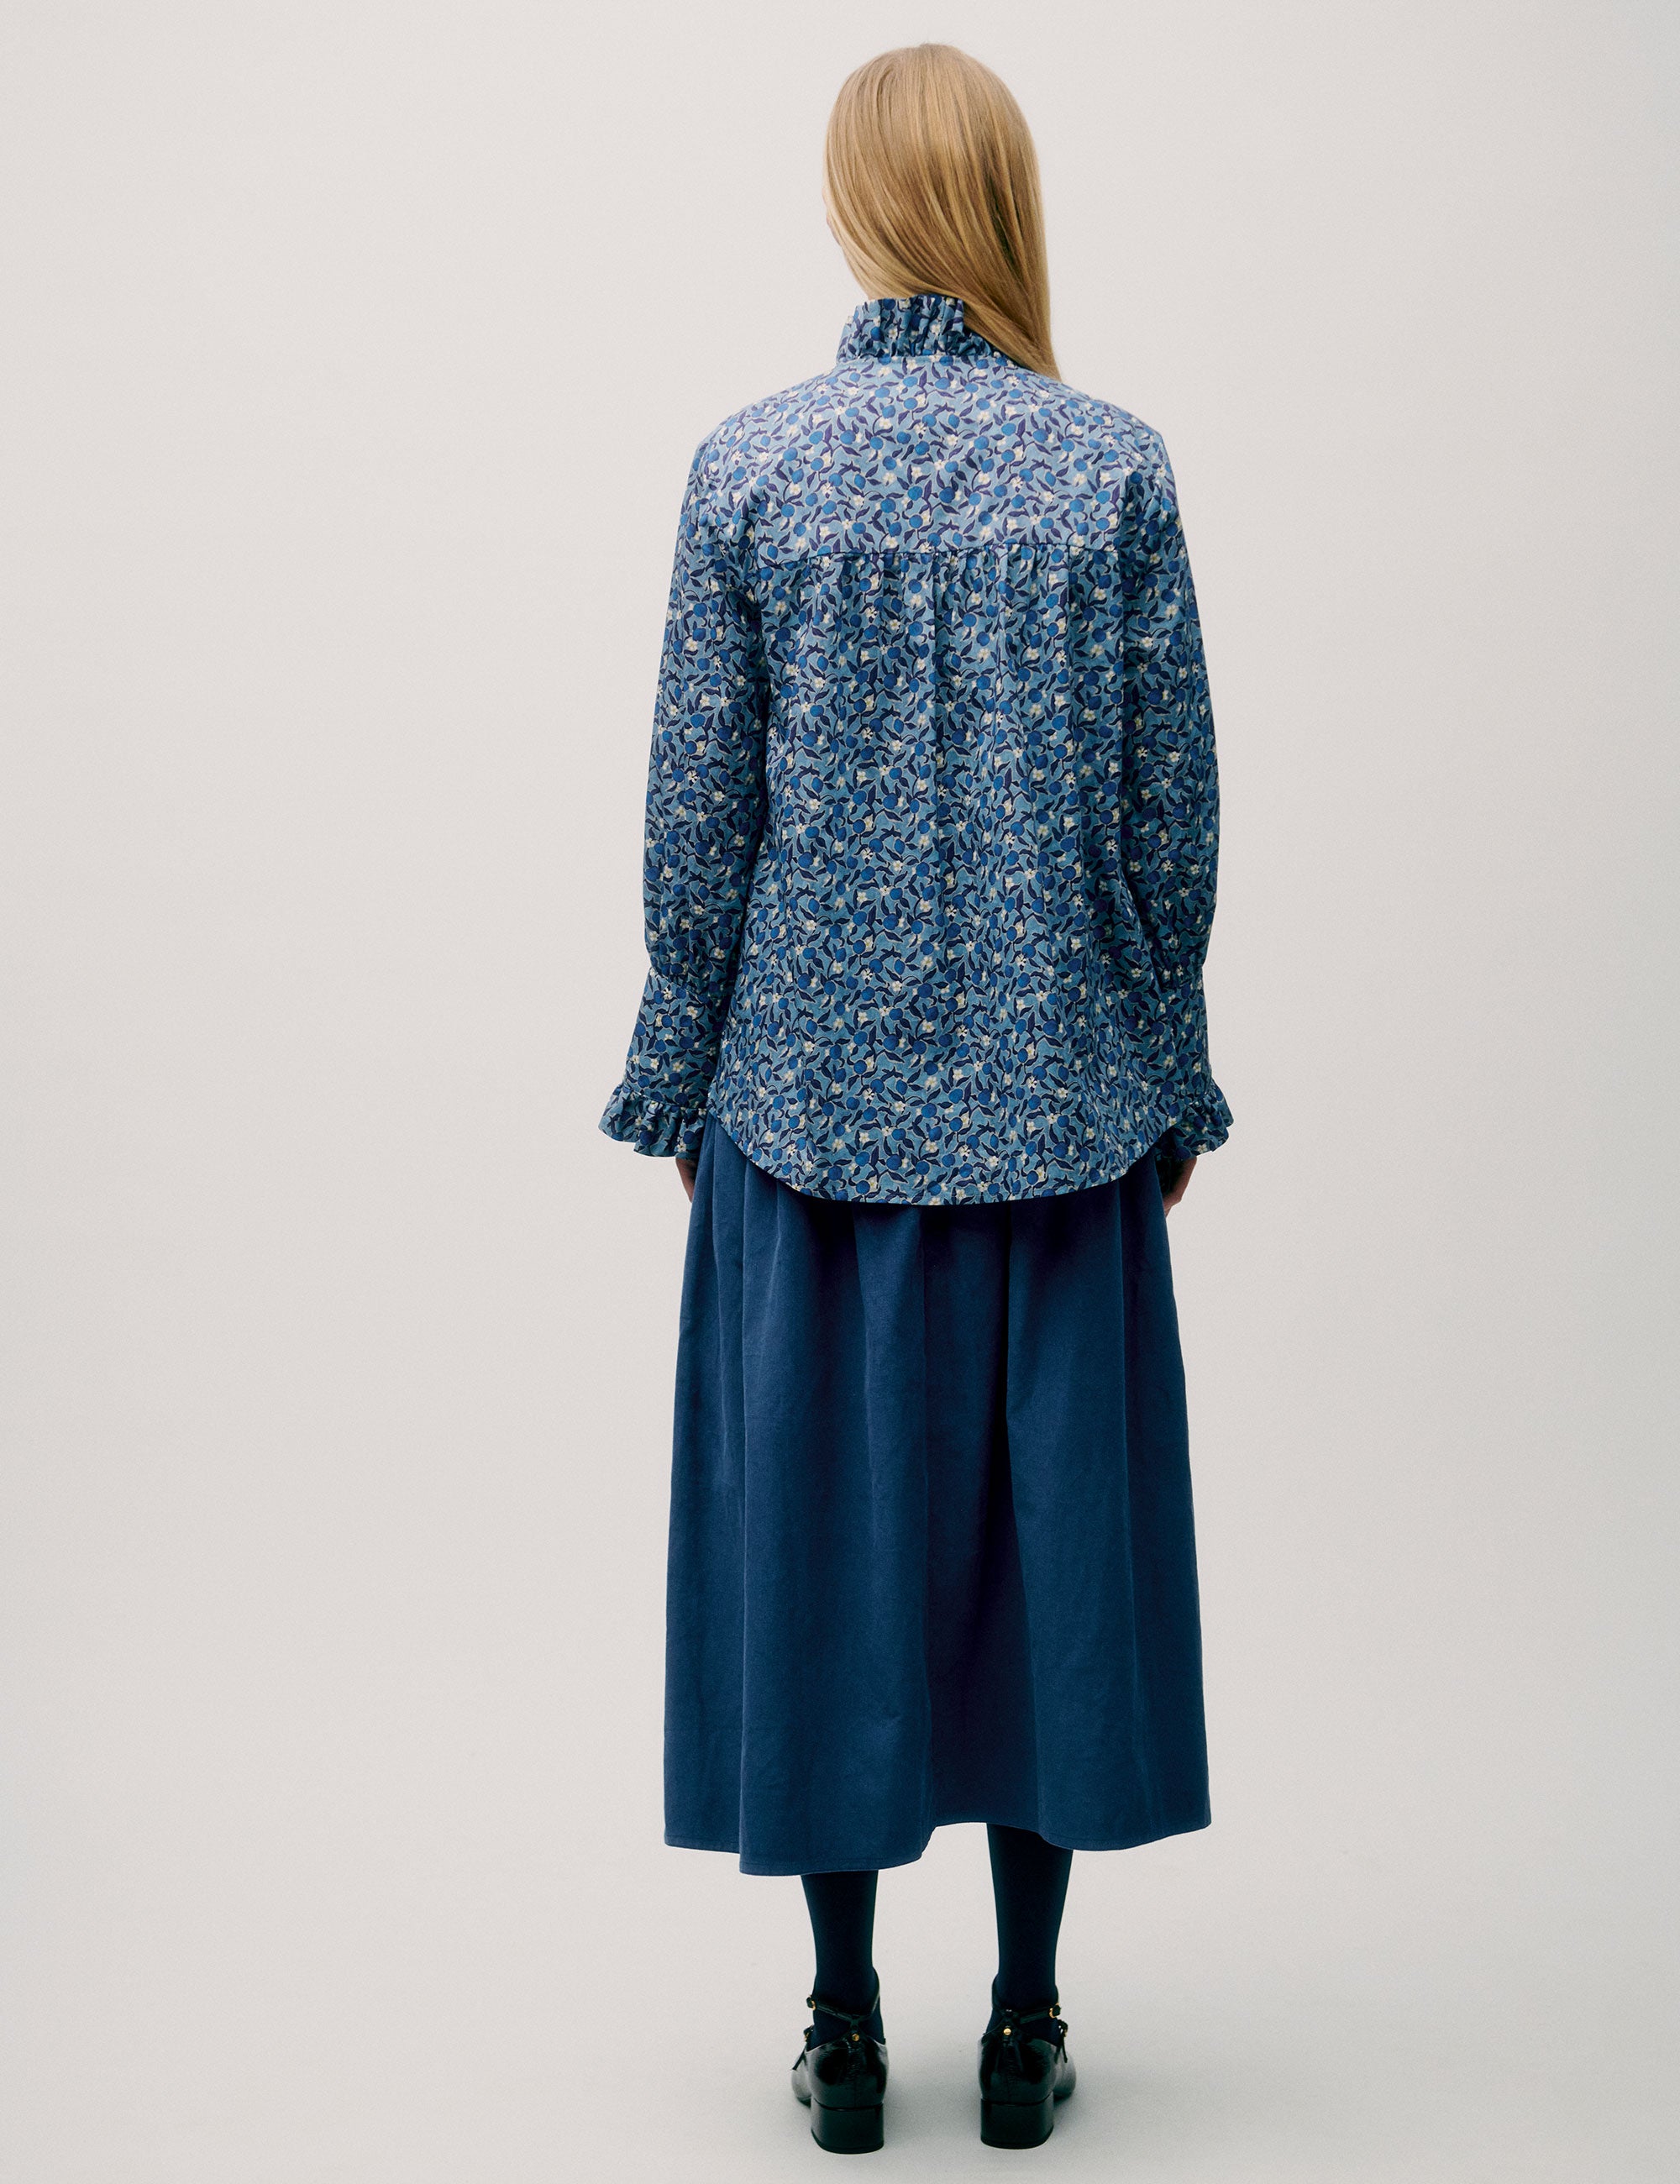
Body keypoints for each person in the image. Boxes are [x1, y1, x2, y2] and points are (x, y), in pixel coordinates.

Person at [600, 40, 1231, 2155]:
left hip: (808, 1129)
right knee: (1044, 1572)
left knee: (831, 1571)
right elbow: (1174, 819)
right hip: (1060, 1125)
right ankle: (1027, 2024)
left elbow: (701, 818)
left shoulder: (749, 467)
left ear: (860, 205)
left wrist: (686, 1063)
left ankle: (845, 2027)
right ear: (1005, 204)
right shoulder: (1113, 468)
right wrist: (1165, 1063)